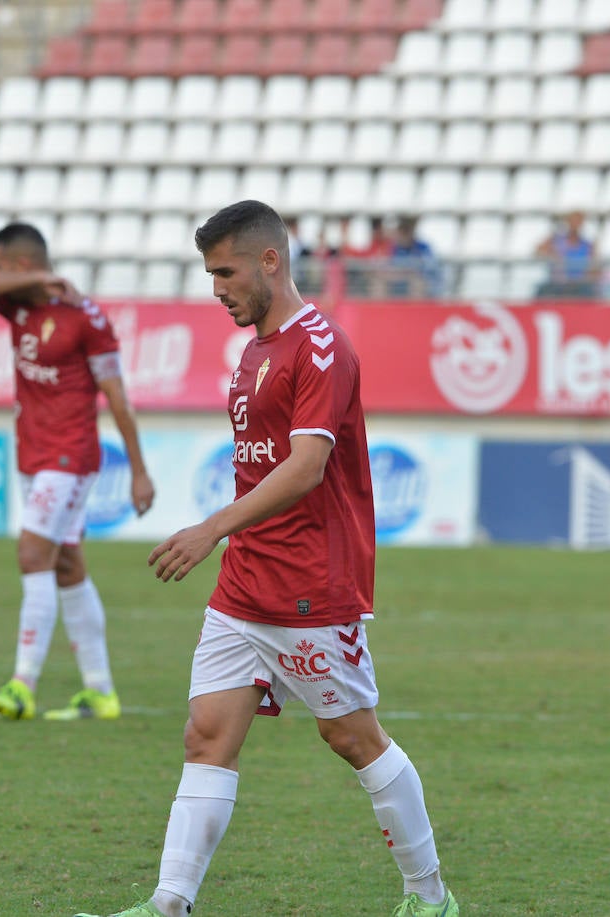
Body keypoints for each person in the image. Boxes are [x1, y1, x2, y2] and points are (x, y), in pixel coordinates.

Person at [73, 200, 459, 917]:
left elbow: (308, 465)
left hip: (312, 584)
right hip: (245, 585)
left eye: (225, 271)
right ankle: (169, 902)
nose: (216, 287)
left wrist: (210, 526)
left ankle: (430, 895)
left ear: (269, 261)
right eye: (209, 273)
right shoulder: (255, 350)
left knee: (350, 734)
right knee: (207, 734)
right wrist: (229, 539)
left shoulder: (321, 347)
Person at [0, 222, 155, 723]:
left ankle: (22, 684)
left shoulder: (85, 318)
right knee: (67, 565)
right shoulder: (18, 302)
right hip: (33, 453)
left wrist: (138, 470)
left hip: (69, 456)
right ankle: (100, 691)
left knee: (33, 552)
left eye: (4, 265)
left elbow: (117, 396)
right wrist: (37, 282)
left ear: (21, 265)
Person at [534, 210, 600, 299]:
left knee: (590, 292)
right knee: (543, 290)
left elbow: (595, 268)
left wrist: (586, 276)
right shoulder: (556, 240)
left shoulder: (588, 245)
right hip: (558, 283)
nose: (576, 224)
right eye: (573, 221)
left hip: (580, 284)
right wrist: (553, 253)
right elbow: (538, 251)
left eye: (578, 221)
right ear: (568, 222)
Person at [386, 214, 443, 298]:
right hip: (399, 282)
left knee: (417, 282)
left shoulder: (423, 247)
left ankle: (416, 310)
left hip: (422, 282)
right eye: (401, 232)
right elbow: (389, 268)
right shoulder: (394, 248)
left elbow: (429, 268)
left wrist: (410, 273)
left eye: (406, 231)